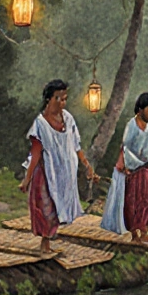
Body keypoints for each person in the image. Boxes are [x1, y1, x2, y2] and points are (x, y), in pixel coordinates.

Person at [20, 80, 98, 254]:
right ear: (48, 99)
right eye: (58, 99)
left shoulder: (68, 119)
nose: (62, 103)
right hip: (47, 173)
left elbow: (76, 146)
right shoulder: (40, 124)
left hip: (65, 172)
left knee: (58, 207)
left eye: (65, 99)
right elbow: (36, 153)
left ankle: (49, 241)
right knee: (46, 207)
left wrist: (87, 166)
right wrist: (27, 179)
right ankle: (45, 243)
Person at [101, 93, 148, 243]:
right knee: (132, 201)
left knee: (147, 199)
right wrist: (124, 166)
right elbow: (125, 148)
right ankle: (134, 234)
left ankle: (144, 230)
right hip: (132, 168)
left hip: (145, 168)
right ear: (141, 109)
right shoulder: (131, 125)